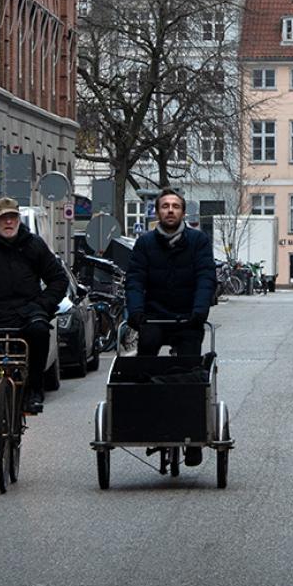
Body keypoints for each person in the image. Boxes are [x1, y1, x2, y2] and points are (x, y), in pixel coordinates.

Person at [0, 197, 68, 470]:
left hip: (28, 314)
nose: (9, 222)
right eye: (4, 218)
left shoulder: (33, 245)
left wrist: (41, 306)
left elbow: (58, 279)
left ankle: (34, 390)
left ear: (19, 220)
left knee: (40, 331)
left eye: (13, 218)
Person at [125, 189, 217, 466]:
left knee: (191, 369)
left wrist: (200, 311)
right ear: (157, 212)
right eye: (165, 206)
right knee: (146, 362)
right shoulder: (144, 243)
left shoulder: (198, 242)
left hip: (187, 317)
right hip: (154, 317)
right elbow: (135, 279)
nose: (170, 210)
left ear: (183, 213)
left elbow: (205, 277)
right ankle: (149, 420)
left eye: (175, 206)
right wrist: (136, 312)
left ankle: (193, 437)